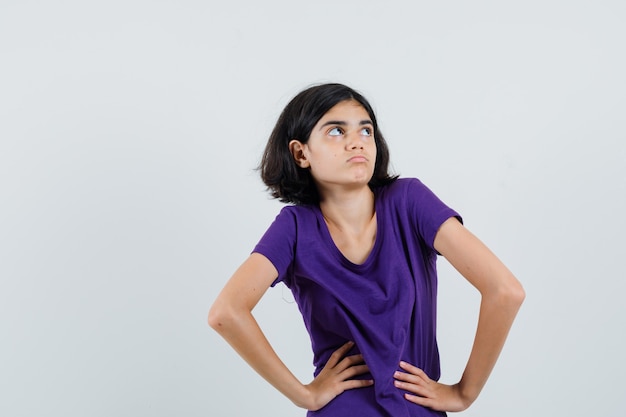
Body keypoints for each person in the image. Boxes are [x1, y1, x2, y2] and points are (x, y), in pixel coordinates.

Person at [208, 83, 525, 417]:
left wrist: (465, 393)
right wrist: (304, 395)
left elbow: (505, 291)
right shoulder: (295, 227)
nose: (356, 140)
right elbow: (226, 312)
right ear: (301, 153)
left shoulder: (409, 201)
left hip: (417, 408)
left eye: (366, 129)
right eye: (335, 130)